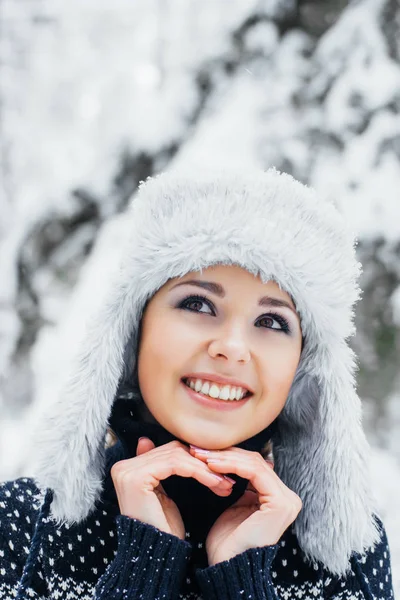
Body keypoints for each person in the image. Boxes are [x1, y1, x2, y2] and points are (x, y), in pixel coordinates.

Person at [0, 168, 395, 600]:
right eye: (197, 303)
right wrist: (142, 568)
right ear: (134, 332)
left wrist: (244, 585)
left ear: (304, 370)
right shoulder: (23, 521)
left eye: (271, 321)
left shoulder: (348, 558)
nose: (231, 347)